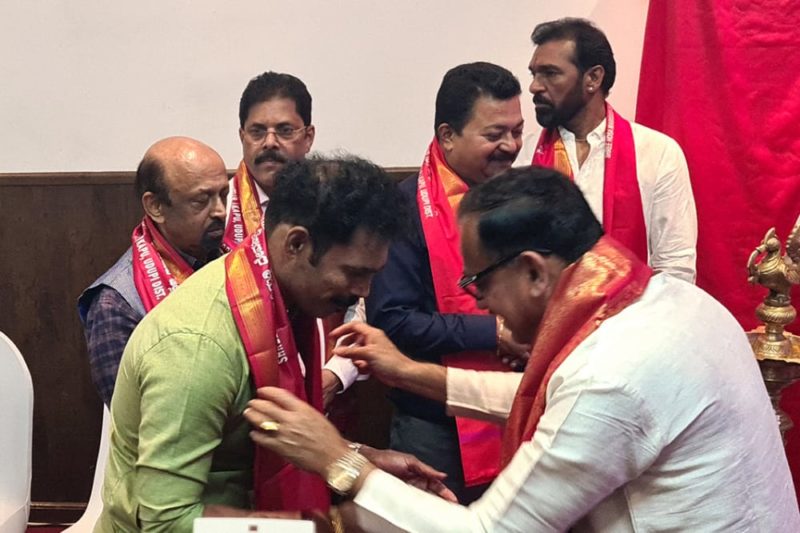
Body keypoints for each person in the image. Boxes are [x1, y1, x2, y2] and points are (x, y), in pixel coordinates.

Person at [245, 166, 799, 532]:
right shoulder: (666, 300)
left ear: (533, 271)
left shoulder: (615, 373)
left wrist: (338, 461)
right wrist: (408, 371)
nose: (480, 304)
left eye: (478, 283)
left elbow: (492, 530)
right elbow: (551, 398)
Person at [94, 155, 455, 532]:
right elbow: (163, 523)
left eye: (373, 276)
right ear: (296, 244)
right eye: (353, 273)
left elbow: (252, 440)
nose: (364, 291)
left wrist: (358, 461)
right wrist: (324, 526)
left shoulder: (275, 294)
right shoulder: (197, 346)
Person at [364, 62, 530, 502]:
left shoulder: (524, 200)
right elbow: (394, 320)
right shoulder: (402, 208)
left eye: (517, 131)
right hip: (433, 426)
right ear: (448, 135)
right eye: (494, 134)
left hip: (519, 409)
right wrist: (495, 332)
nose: (511, 146)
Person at [528, 18, 697, 282]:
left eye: (550, 73)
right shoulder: (523, 155)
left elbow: (676, 269)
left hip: (633, 308)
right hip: (542, 308)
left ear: (593, 78)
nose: (535, 86)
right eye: (534, 74)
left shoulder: (657, 153)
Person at [228, 71, 360, 405]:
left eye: (285, 130)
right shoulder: (219, 212)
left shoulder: (339, 205)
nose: (269, 143)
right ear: (242, 136)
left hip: (327, 390)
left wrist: (337, 375)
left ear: (308, 136)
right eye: (257, 131)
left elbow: (359, 300)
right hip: (242, 392)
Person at [77, 136, 228, 406]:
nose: (220, 211)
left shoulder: (234, 262)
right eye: (201, 200)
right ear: (156, 207)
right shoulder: (115, 303)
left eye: (224, 195)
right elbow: (130, 413)